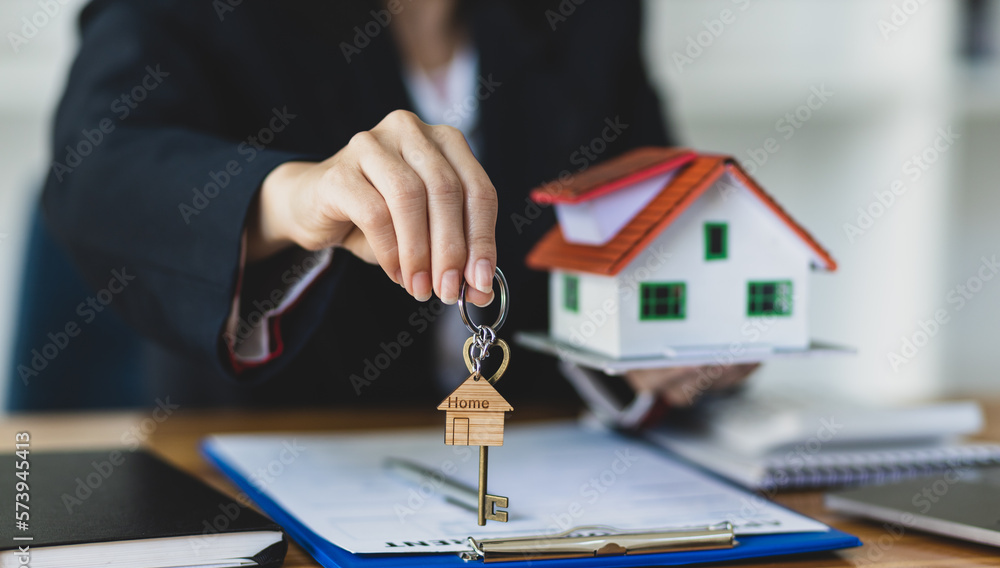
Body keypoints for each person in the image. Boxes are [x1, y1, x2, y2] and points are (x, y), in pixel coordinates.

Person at [43, 0, 754, 410]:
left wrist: (675, 332)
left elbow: (647, 215)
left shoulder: (589, 15)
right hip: (273, 468)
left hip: (554, 472)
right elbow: (97, 171)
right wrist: (295, 194)